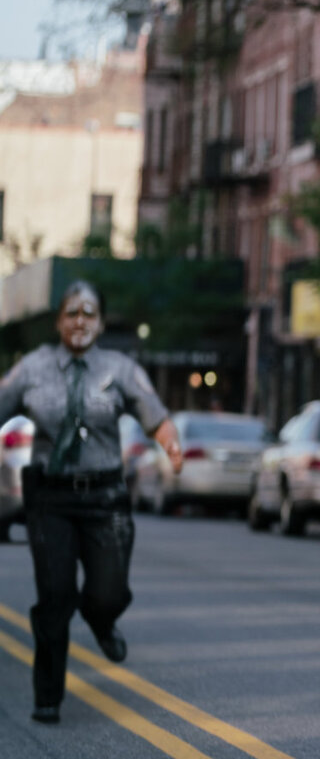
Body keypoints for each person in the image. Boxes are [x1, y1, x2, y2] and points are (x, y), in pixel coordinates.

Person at [0, 280, 183, 725]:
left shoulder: (120, 369)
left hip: (105, 496)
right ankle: (48, 697)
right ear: (59, 320)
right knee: (55, 595)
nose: (80, 321)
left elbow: (153, 414)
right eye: (71, 313)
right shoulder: (32, 368)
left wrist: (171, 445)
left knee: (109, 590)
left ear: (100, 323)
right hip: (51, 498)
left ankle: (102, 619)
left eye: (89, 313)